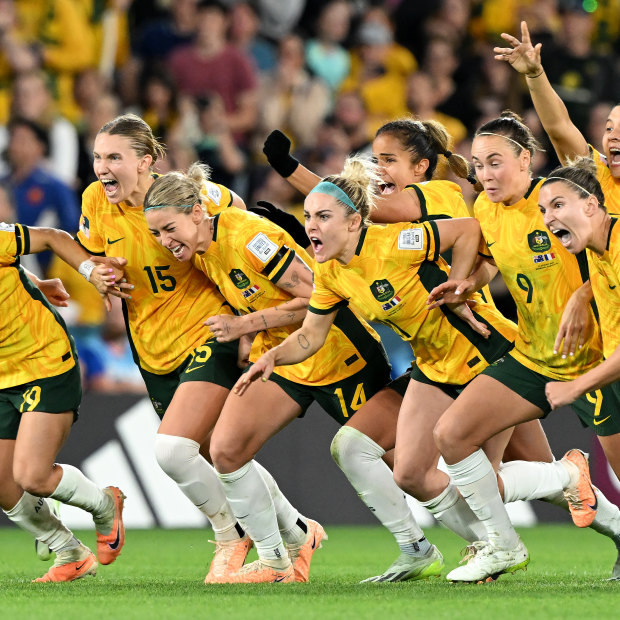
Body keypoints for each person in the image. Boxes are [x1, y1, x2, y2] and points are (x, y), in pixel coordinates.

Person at [229, 155, 520, 574]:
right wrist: (272, 357)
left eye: (323, 216)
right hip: (435, 367)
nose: (311, 225)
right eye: (308, 215)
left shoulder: (394, 243)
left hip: (488, 353)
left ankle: (572, 487)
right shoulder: (329, 272)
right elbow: (311, 335)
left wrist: (461, 285)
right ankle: (440, 549)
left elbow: (468, 229)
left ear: (353, 222)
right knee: (366, 453)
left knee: (495, 475)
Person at [76, 113, 311, 584]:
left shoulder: (188, 196)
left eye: (113, 157)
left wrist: (244, 311)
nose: (102, 168)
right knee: (210, 454)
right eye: (97, 156)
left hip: (209, 332)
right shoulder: (95, 202)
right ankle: (299, 531)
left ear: (145, 161)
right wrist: (95, 273)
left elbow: (234, 215)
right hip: (151, 345)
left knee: (173, 452)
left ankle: (232, 537)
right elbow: (93, 254)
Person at [143, 163, 399, 583]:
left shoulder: (247, 238)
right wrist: (252, 333)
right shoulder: (203, 250)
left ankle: (481, 534)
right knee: (225, 449)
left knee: (404, 465)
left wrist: (245, 325)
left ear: (195, 212)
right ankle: (276, 562)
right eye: (155, 234)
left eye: (169, 228)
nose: (164, 242)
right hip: (281, 358)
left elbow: (321, 294)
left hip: (337, 351)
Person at [427, 111, 620, 583]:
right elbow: (497, 260)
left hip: (593, 358)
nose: (485, 175)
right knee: (451, 435)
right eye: (477, 165)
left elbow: (606, 254)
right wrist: (469, 284)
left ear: (526, 160)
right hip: (532, 353)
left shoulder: (560, 199)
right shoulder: (487, 211)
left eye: (496, 162)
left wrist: (581, 293)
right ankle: (502, 545)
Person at [0, 221, 127, 582]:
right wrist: (36, 283)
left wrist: (91, 274)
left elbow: (53, 238)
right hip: (2, 375)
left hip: (44, 361)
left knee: (32, 475)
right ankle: (69, 551)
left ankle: (105, 505)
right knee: (3, 484)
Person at [538, 159, 620, 478]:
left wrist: (575, 388)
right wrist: (581, 294)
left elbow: (560, 130)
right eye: (544, 210)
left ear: (590, 204)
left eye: (558, 205)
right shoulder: (597, 249)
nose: (549, 218)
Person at [493, 21, 620, 215]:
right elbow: (559, 126)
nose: (613, 137)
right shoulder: (599, 178)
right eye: (609, 129)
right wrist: (535, 75)